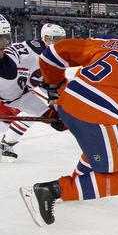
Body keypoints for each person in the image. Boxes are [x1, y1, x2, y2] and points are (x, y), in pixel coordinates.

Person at [19, 15, 118, 226]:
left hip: (67, 101)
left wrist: (55, 88)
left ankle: (78, 184)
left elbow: (50, 55)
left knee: (95, 149)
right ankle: (52, 190)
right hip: (98, 113)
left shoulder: (105, 42)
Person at [1, 20, 68, 162]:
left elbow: (49, 83)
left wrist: (54, 102)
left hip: (20, 95)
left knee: (57, 120)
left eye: (62, 40)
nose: (61, 44)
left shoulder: (43, 53)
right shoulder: (36, 54)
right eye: (57, 40)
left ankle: (7, 143)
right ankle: (6, 143)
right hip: (11, 95)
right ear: (47, 38)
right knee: (5, 121)